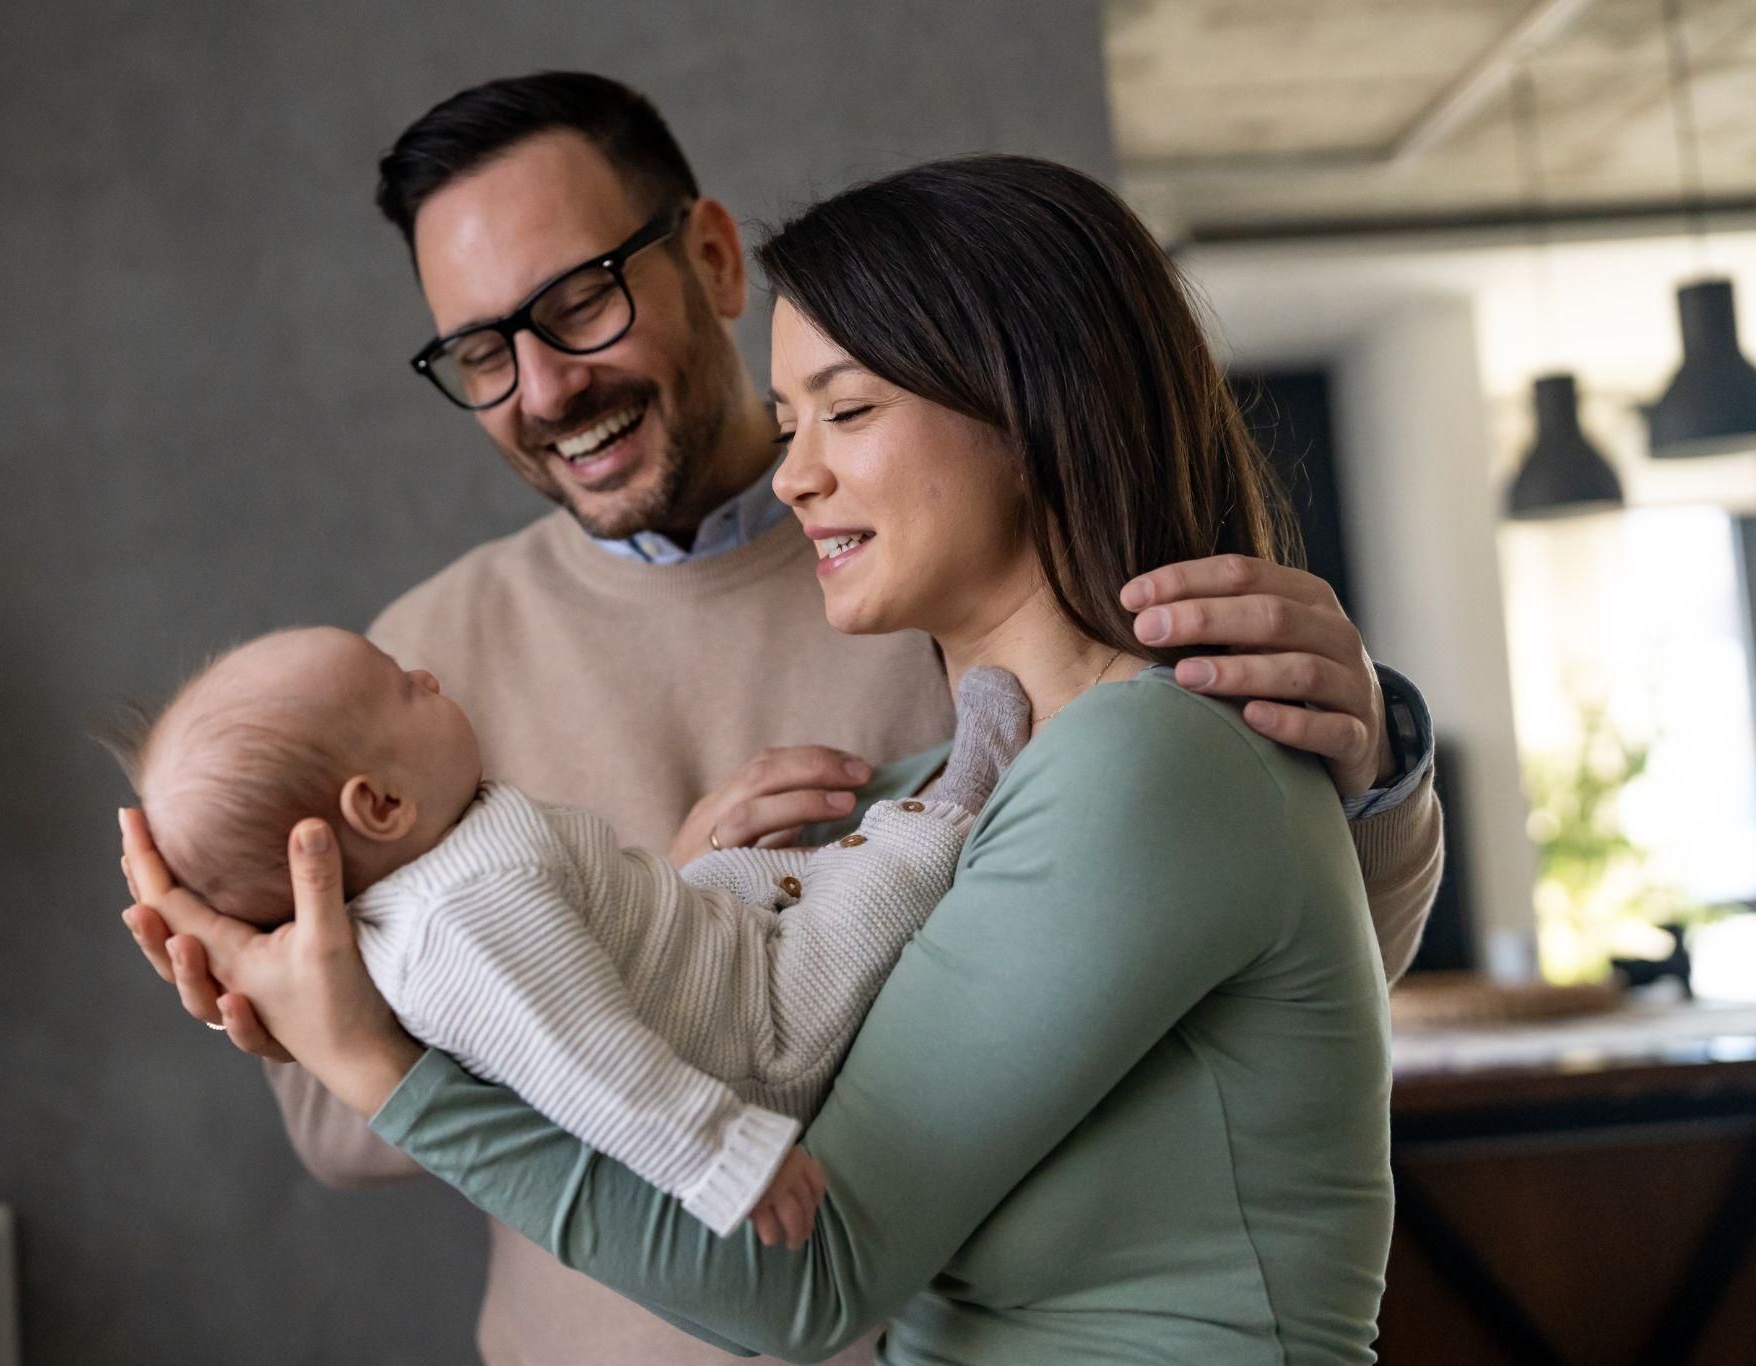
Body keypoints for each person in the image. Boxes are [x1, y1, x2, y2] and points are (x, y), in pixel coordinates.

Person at [122, 73, 1443, 1366]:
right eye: (480, 349)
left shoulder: (996, 652)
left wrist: (1365, 766)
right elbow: (339, 1101)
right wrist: (637, 937)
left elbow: (1267, 993)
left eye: (576, 302)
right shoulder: (397, 667)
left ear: (706, 257)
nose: (540, 386)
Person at [109, 627, 1029, 1241]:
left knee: (729, 873)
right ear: (381, 805)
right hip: (765, 1035)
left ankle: (878, 839)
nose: (429, 675)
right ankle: (959, 803)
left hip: (714, 946)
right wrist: (724, 1154)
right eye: (405, 690)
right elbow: (580, 1058)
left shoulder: (421, 892)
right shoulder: (463, 919)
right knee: (871, 891)